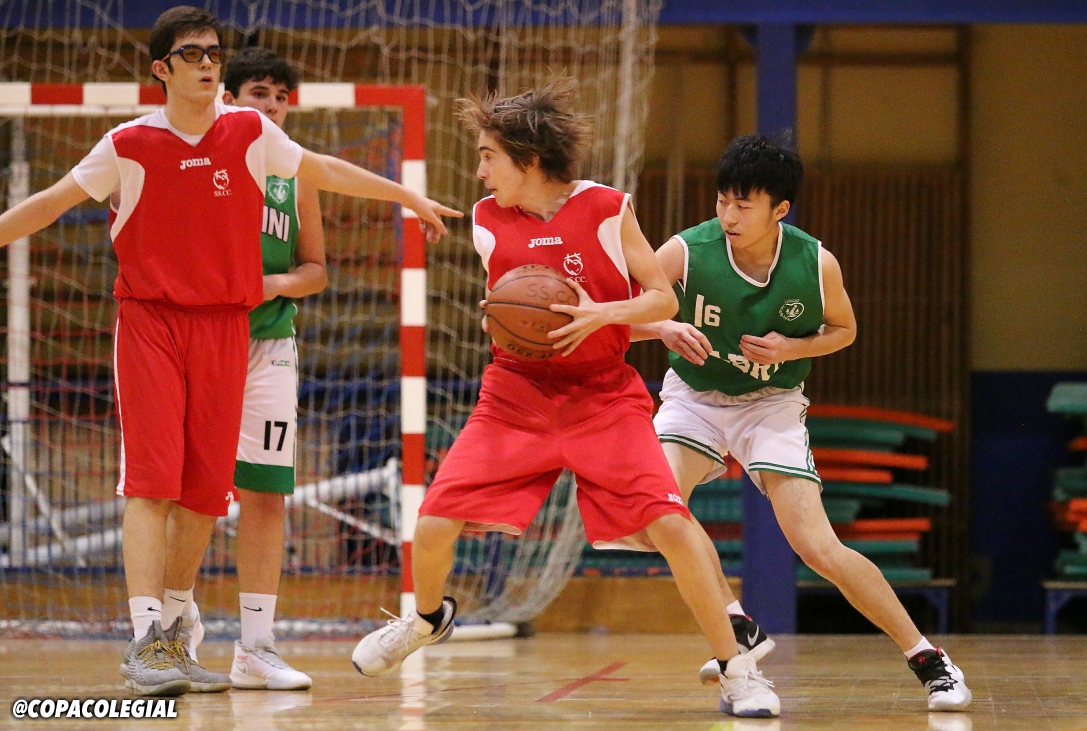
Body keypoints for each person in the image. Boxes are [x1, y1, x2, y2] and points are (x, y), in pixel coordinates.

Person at [0, 6, 460, 697]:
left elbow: (323, 168)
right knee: (152, 484)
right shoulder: (127, 144)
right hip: (152, 323)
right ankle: (145, 639)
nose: (209, 64)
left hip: (227, 327)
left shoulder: (248, 131)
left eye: (214, 53)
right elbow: (50, 203)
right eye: (193, 54)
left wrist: (405, 196)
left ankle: (174, 630)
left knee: (206, 496)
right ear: (162, 69)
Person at [350, 78, 781, 719]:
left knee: (672, 525)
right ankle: (427, 619)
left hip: (603, 396)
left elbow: (661, 298)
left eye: (488, 156)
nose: (479, 170)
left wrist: (604, 314)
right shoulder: (486, 221)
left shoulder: (607, 208)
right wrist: (512, 319)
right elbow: (524, 314)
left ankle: (737, 669)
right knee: (433, 522)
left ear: (527, 159)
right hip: (516, 394)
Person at [633, 133, 973, 712]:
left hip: (771, 401)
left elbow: (845, 330)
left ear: (780, 209)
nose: (728, 215)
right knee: (658, 513)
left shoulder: (815, 263)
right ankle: (738, 625)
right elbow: (621, 314)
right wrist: (662, 327)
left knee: (818, 547)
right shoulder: (685, 252)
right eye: (722, 201)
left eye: (743, 205)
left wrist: (791, 348)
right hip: (696, 397)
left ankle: (929, 659)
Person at [164, 47, 322, 691]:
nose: (274, 105)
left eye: (282, 96)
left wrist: (272, 283)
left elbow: (316, 270)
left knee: (266, 493)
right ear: (227, 97)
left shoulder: (297, 173)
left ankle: (256, 648)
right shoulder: (199, 161)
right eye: (261, 92)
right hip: (199, 342)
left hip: (269, 346)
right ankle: (173, 624)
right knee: (190, 491)